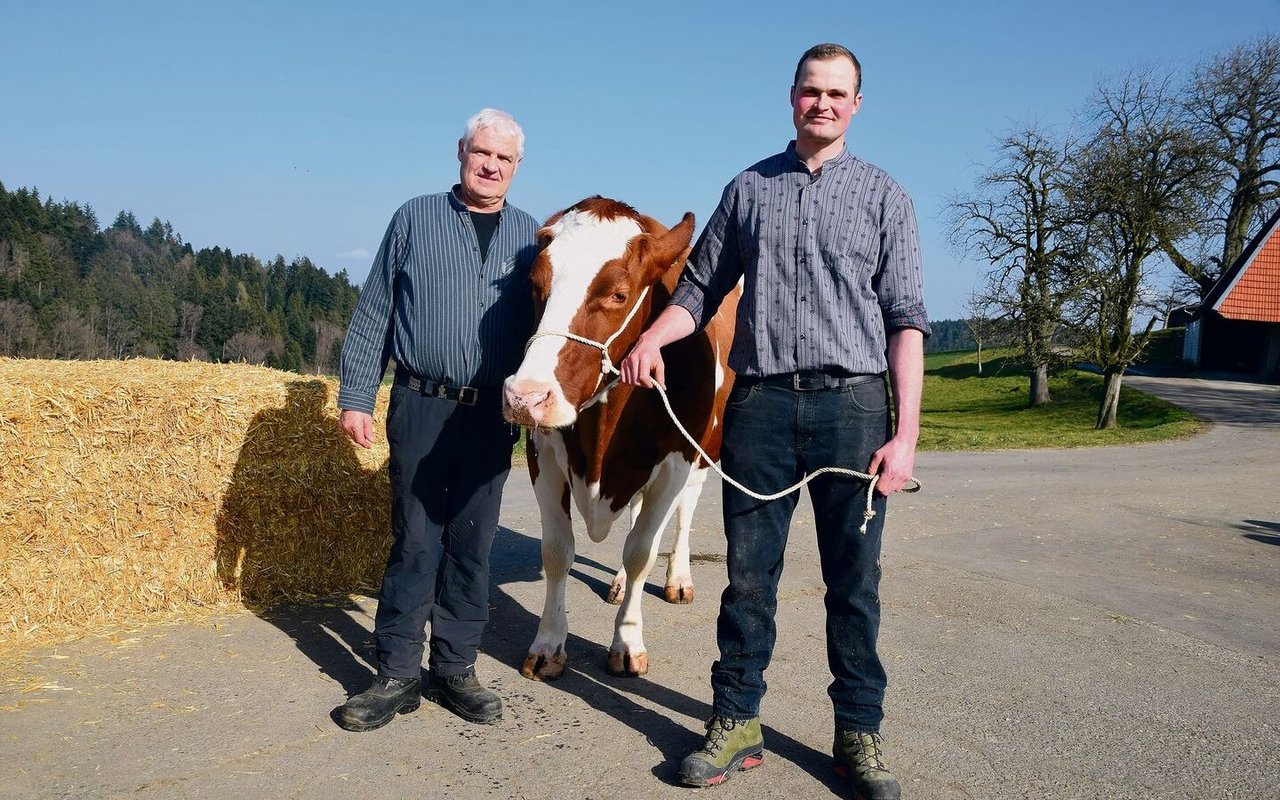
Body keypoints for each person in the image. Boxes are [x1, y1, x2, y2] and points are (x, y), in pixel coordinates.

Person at [620, 44, 928, 798]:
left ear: (858, 105)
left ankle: (859, 734)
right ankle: (736, 724)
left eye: (837, 93)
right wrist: (651, 338)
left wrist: (906, 433)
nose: (822, 104)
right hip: (757, 406)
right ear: (791, 98)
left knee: (854, 583)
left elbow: (907, 324)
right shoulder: (749, 189)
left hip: (853, 407)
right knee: (749, 580)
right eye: (810, 91)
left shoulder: (887, 196)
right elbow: (698, 288)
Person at [334, 108, 538, 731]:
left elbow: (548, 329)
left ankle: (455, 668)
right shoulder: (414, 217)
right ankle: (396, 673)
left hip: (491, 416)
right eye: (482, 152)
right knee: (417, 540)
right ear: (461, 151)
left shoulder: (532, 236)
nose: (490, 165)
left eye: (503, 159)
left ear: (516, 167)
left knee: (474, 546)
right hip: (420, 403)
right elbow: (376, 310)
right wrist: (357, 396)